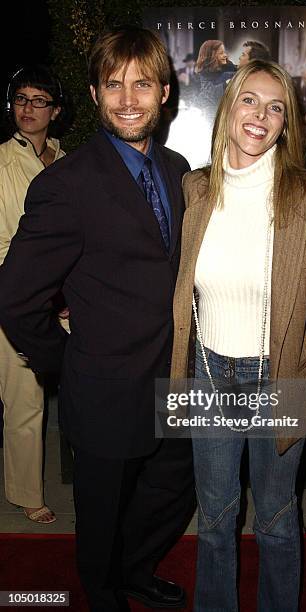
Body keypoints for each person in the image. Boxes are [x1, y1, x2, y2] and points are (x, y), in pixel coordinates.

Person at [0, 27, 195, 612]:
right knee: (102, 510)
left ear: (164, 92)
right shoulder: (66, 183)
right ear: (93, 94)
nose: (128, 98)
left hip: (176, 380)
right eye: (114, 84)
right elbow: (13, 296)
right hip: (104, 386)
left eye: (141, 83)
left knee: (172, 488)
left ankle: (136, 569)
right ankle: (105, 593)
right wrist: (66, 363)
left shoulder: (179, 167)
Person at [170, 59, 306, 611]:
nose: (260, 115)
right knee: (217, 515)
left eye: (276, 107)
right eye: (250, 99)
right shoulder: (194, 189)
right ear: (228, 107)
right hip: (209, 371)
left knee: (275, 518)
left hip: (282, 377)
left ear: (286, 124)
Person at [0, 64, 68, 524]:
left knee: (74, 392)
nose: (28, 108)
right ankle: (26, 492)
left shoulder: (67, 161)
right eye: (21, 99)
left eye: (38, 100)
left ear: (55, 111)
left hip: (64, 299)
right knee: (24, 399)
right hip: (17, 298)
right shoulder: (2, 163)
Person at [194, 40, 236, 112]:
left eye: (224, 52)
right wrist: (226, 83)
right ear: (212, 56)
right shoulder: (204, 74)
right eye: (221, 53)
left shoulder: (229, 66)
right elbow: (209, 93)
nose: (225, 55)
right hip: (211, 110)